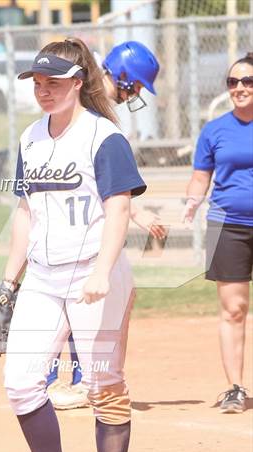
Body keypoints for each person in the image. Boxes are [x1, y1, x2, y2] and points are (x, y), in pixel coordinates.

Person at [2, 37, 147, 452]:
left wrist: (103, 270)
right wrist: (8, 282)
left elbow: (119, 208)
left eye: (55, 82)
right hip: (43, 277)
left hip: (94, 274)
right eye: (38, 83)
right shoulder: (30, 139)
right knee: (21, 384)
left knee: (104, 385)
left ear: (79, 83)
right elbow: (25, 212)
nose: (44, 91)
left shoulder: (103, 137)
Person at [47, 41, 165, 411]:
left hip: (82, 221)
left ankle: (80, 380)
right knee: (76, 304)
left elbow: (108, 183)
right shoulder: (94, 114)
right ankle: (57, 381)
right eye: (139, 85)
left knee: (86, 303)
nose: (138, 94)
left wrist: (137, 213)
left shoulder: (97, 112)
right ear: (125, 76)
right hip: (73, 225)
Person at [182, 52, 253, 414]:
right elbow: (200, 176)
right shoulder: (214, 131)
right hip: (228, 225)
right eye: (232, 82)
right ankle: (235, 388)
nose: (239, 88)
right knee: (234, 310)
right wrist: (192, 202)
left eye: (247, 81)